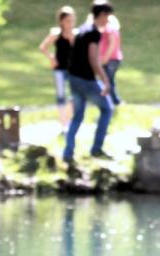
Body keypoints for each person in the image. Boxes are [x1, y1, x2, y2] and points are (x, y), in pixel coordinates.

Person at [63, 2, 115, 164]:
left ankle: (68, 152)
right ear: (101, 15)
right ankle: (96, 149)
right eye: (107, 16)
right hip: (86, 79)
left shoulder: (81, 30)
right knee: (107, 108)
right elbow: (94, 59)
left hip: (73, 78)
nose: (108, 20)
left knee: (77, 116)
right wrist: (105, 80)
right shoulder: (93, 33)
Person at [38, 6, 76, 134]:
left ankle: (69, 121)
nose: (70, 23)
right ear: (61, 21)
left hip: (72, 70)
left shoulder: (75, 35)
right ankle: (63, 124)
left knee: (74, 96)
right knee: (61, 96)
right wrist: (51, 58)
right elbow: (43, 47)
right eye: (68, 21)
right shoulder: (56, 34)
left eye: (72, 20)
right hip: (60, 69)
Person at [99, 13, 123, 105]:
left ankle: (112, 100)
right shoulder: (113, 30)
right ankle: (114, 100)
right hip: (114, 58)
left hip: (111, 59)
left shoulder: (109, 30)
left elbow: (112, 44)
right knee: (109, 80)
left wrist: (105, 58)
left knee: (107, 81)